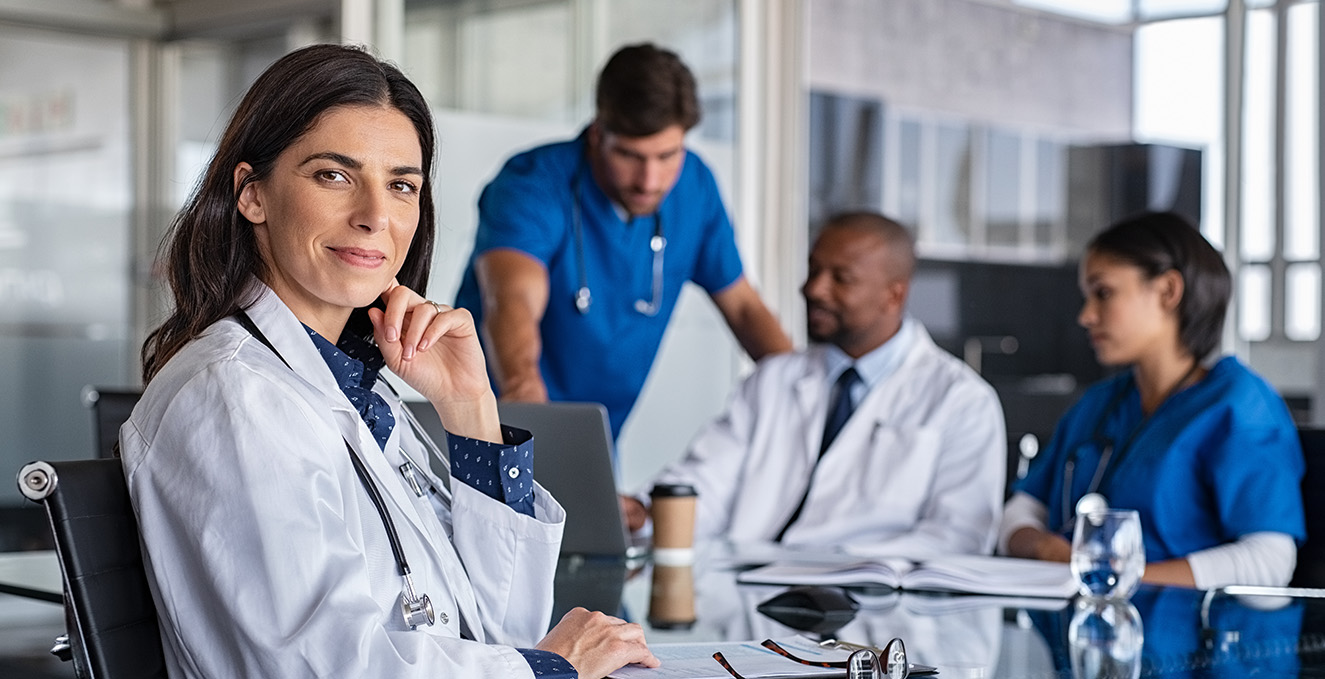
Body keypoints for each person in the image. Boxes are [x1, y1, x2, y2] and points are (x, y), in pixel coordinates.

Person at [119, 44, 658, 679]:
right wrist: (552, 668)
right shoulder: (234, 394)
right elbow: (320, 666)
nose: (376, 216)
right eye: (334, 175)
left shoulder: (355, 391)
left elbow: (500, 629)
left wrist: (471, 410)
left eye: (401, 185)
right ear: (252, 194)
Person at [454, 43, 791, 441]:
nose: (650, 181)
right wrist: (524, 391)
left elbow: (745, 309)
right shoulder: (533, 183)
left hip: (596, 436)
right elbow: (511, 299)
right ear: (598, 134)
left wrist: (808, 396)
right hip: (500, 421)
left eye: (668, 156)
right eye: (631, 156)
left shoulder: (696, 187)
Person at [623, 212, 1007, 553]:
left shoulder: (962, 401)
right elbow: (707, 482)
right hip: (751, 606)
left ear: (894, 295)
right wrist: (644, 513)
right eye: (813, 270)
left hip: (878, 616)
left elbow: (958, 539)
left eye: (841, 278)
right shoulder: (774, 379)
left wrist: (835, 563)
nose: (814, 289)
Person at [1000, 211, 1306, 589]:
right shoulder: (1099, 404)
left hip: (1186, 640)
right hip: (1082, 633)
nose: (1086, 316)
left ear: (1167, 292)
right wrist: (1043, 548)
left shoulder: (1240, 407)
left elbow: (1269, 562)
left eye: (1103, 293)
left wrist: (1116, 581)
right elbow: (1020, 511)